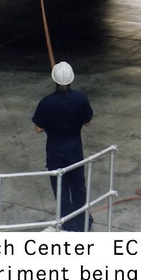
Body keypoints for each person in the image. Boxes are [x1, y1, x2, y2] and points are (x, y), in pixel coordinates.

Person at [32, 61, 94, 231]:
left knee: (61, 188)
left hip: (55, 151)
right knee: (78, 187)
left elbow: (38, 128)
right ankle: (83, 222)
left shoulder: (47, 102)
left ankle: (68, 223)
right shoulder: (80, 98)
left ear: (55, 81)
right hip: (75, 149)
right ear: (71, 80)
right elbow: (87, 122)